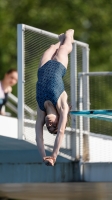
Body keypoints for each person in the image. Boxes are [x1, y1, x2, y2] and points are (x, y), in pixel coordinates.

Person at [35, 29, 74, 166]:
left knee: (53, 47)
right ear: (58, 120)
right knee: (65, 46)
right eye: (54, 126)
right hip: (59, 66)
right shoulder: (61, 106)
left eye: (49, 128)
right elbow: (61, 132)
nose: (50, 126)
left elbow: (39, 137)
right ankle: (69, 36)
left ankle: (62, 39)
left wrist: (43, 156)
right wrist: (53, 156)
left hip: (43, 68)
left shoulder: (41, 110)